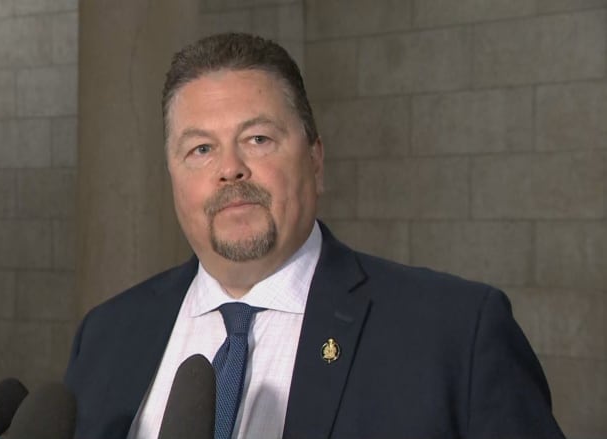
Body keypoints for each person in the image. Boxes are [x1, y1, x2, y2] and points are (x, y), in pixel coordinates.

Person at [65, 33, 565, 439]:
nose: (230, 170)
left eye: (258, 139)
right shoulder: (108, 334)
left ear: (315, 160)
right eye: (200, 149)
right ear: (172, 176)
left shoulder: (456, 334)